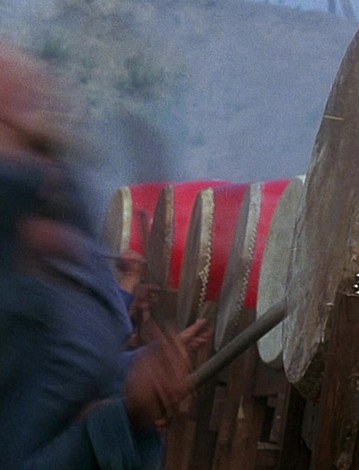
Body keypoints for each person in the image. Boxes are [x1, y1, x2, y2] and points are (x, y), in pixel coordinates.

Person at [0, 42, 208, 468]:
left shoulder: (59, 222)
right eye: (11, 123)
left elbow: (72, 378)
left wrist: (139, 369)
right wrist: (124, 413)